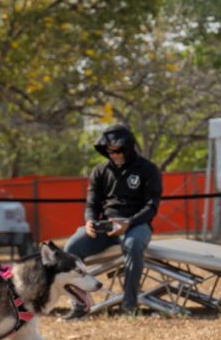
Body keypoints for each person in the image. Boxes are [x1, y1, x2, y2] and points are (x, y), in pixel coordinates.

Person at [61, 124, 162, 319]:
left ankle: (129, 306)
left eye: (117, 151)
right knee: (72, 247)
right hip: (105, 226)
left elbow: (151, 207)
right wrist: (90, 221)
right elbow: (92, 204)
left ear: (128, 147)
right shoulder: (100, 171)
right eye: (109, 151)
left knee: (133, 245)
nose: (114, 155)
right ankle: (79, 306)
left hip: (136, 224)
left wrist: (129, 222)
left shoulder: (148, 169)